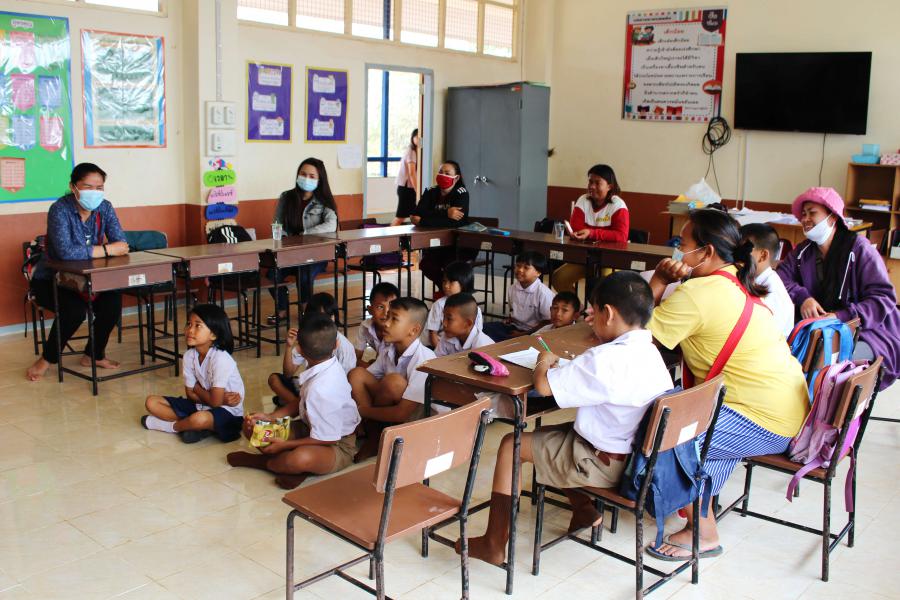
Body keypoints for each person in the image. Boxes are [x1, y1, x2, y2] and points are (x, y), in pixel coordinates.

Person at [460, 272, 673, 566]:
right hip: (638, 459)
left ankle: (494, 543)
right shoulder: (650, 352)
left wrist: (543, 362)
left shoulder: (604, 359)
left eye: (593, 313)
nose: (590, 321)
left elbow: (544, 386)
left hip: (604, 465)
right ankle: (584, 510)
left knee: (511, 445)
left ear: (608, 313)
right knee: (557, 436)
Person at [645, 208, 808, 561]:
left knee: (669, 434)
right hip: (788, 408)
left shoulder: (698, 293)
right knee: (696, 429)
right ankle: (698, 508)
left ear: (705, 252)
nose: (677, 251)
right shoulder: (736, 279)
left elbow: (634, 334)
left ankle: (703, 531)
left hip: (761, 417)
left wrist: (658, 281)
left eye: (682, 243)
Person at [777, 187, 900, 389]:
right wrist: (803, 297)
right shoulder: (803, 252)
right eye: (803, 214)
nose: (805, 219)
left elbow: (882, 298)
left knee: (828, 368)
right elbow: (781, 277)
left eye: (812, 213)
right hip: (823, 330)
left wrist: (839, 316)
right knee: (792, 359)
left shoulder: (859, 249)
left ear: (833, 217)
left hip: (867, 330)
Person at [227, 313, 361, 490]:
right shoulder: (327, 364)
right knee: (251, 425)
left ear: (300, 351)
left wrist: (286, 444)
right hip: (308, 429)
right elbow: (301, 402)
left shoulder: (323, 388)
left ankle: (266, 463)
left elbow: (326, 439)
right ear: (336, 345)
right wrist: (271, 417)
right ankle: (290, 468)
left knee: (299, 458)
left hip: (338, 445)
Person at [26, 163, 130, 382]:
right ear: (73, 187)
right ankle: (47, 359)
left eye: (99, 187)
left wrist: (107, 249)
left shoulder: (105, 207)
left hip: (89, 277)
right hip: (53, 279)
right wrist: (106, 250)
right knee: (74, 311)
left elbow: (121, 243)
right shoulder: (59, 209)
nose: (94, 192)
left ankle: (93, 355)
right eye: (88, 187)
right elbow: (65, 253)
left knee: (112, 303)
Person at [142, 304, 244, 444]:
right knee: (151, 402)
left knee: (199, 419)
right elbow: (190, 395)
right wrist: (216, 399)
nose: (190, 330)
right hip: (201, 406)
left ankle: (173, 427)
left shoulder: (221, 358)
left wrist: (197, 388)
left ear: (213, 334)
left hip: (228, 412)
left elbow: (214, 402)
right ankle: (197, 427)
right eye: (189, 324)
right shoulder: (189, 356)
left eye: (198, 326)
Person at [348, 297, 435, 460]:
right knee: (356, 374)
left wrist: (360, 410)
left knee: (393, 382)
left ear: (413, 330)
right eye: (387, 316)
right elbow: (368, 378)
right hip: (389, 407)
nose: (386, 323)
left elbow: (402, 413)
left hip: (413, 416)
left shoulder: (424, 359)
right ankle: (374, 434)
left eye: (394, 319)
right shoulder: (389, 349)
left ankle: (376, 437)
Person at [267, 157, 338, 323]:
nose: (306, 179)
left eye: (312, 176)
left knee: (304, 273)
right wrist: (284, 238)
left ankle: (306, 310)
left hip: (316, 254)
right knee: (272, 274)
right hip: (290, 253)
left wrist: (305, 234)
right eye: (303, 174)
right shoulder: (286, 197)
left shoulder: (324, 201)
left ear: (320, 180)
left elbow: (331, 224)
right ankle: (282, 309)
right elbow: (277, 223)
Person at [552, 164, 630, 295]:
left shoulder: (618, 205)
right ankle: (577, 306)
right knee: (559, 278)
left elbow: (621, 236)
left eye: (597, 183)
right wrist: (588, 233)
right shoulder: (583, 200)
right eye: (590, 182)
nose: (592, 186)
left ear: (610, 186)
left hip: (610, 259)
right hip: (585, 258)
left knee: (605, 286)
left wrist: (591, 232)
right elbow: (577, 228)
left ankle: (601, 308)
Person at [269, 292, 356, 408]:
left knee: (314, 394)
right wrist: (289, 347)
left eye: (327, 316)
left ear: (334, 317)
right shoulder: (308, 337)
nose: (322, 322)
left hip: (329, 394)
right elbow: (288, 373)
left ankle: (295, 404)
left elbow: (347, 384)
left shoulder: (344, 346)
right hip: (310, 385)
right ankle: (299, 405)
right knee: (274, 380)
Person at [411, 161, 478, 291]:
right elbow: (417, 214)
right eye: (441, 172)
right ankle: (445, 290)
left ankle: (454, 292)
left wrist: (423, 220)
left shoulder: (461, 193)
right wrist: (446, 213)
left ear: (456, 177)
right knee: (426, 265)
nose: (443, 175)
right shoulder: (431, 191)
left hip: (457, 245)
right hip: (436, 244)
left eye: (447, 173)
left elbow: (455, 222)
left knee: (451, 267)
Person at [482, 250, 554, 342]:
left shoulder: (543, 293)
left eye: (526, 267)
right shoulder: (513, 288)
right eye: (518, 266)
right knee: (483, 328)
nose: (520, 270)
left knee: (503, 340)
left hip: (533, 332)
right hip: (514, 327)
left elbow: (547, 322)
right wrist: (509, 319)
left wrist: (522, 334)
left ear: (538, 273)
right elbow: (513, 311)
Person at [739, 223, 795, 338]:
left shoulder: (772, 294)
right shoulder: (752, 279)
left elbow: (759, 337)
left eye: (742, 251)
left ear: (763, 256)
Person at [424, 261, 484, 348]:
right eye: (444, 281)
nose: (446, 286)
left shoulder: (474, 308)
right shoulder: (439, 305)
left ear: (463, 283)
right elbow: (433, 334)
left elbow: (478, 334)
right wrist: (440, 353)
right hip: (441, 347)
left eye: (451, 282)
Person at [354, 281, 400, 364]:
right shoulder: (365, 327)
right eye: (380, 307)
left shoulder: (400, 330)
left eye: (391, 306)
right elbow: (355, 358)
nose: (386, 313)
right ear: (370, 310)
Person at [435, 293, 494, 357]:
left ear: (467, 324)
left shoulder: (482, 346)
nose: (444, 323)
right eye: (444, 317)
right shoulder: (447, 337)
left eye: (449, 319)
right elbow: (436, 359)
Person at [391, 128, 419, 226]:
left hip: (409, 188)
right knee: (400, 217)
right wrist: (418, 190)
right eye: (417, 137)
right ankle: (390, 234)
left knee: (415, 216)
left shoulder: (417, 151)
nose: (419, 139)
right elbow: (412, 173)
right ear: (413, 138)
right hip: (406, 189)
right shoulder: (411, 151)